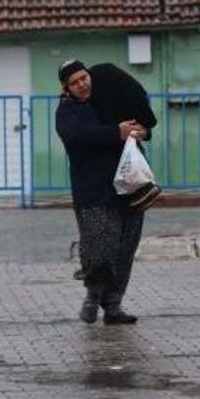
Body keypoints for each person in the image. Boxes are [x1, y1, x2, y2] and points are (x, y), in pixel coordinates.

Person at [54, 59, 154, 325]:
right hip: (93, 192)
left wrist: (143, 131)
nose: (81, 84)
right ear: (67, 88)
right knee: (101, 248)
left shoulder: (108, 98)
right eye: (74, 82)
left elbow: (137, 119)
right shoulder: (67, 112)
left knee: (125, 248)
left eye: (83, 78)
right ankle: (92, 298)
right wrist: (115, 132)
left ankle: (113, 306)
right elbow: (78, 136)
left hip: (128, 188)